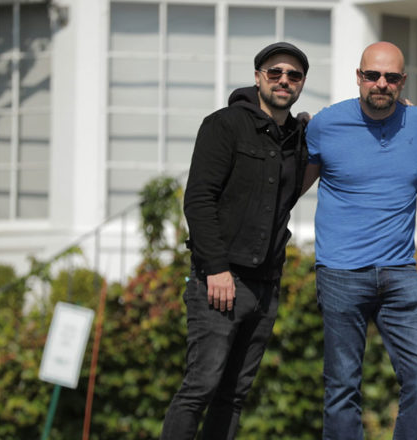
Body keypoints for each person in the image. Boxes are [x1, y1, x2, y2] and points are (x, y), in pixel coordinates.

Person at [160, 42, 310, 440]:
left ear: (301, 84)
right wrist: (217, 269)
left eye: (293, 75)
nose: (284, 80)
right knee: (200, 388)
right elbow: (198, 198)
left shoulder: (296, 136)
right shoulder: (224, 124)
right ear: (258, 76)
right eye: (275, 72)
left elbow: (288, 193)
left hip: (266, 285)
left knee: (234, 396)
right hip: (222, 281)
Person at [302, 41, 417, 440]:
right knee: (342, 386)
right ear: (358, 77)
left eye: (391, 77)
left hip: (400, 272)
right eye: (373, 75)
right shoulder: (325, 124)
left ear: (402, 81)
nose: (381, 83)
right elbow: (290, 187)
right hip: (341, 273)